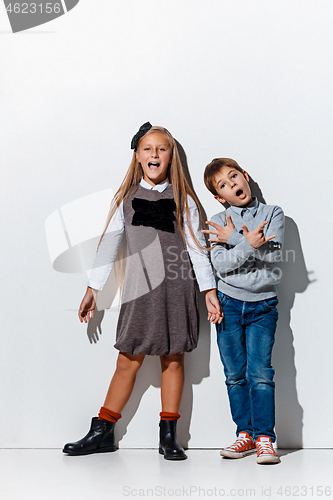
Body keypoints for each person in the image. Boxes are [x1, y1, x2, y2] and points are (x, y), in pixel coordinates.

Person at [63, 123, 222, 460]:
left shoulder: (185, 199)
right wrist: (94, 287)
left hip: (177, 290)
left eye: (161, 149)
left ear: (171, 156)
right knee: (127, 360)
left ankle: (169, 436)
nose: (154, 154)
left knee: (173, 360)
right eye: (148, 148)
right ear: (137, 156)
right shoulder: (126, 198)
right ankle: (103, 430)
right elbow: (109, 245)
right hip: (139, 291)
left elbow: (197, 248)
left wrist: (208, 290)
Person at [202, 158, 284, 465]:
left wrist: (236, 239)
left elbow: (274, 256)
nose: (233, 184)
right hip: (228, 305)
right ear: (219, 196)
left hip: (263, 305)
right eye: (223, 184)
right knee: (235, 375)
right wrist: (250, 244)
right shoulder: (217, 220)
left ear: (245, 176)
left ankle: (265, 438)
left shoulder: (272, 213)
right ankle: (245, 434)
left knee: (260, 373)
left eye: (234, 176)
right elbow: (220, 265)